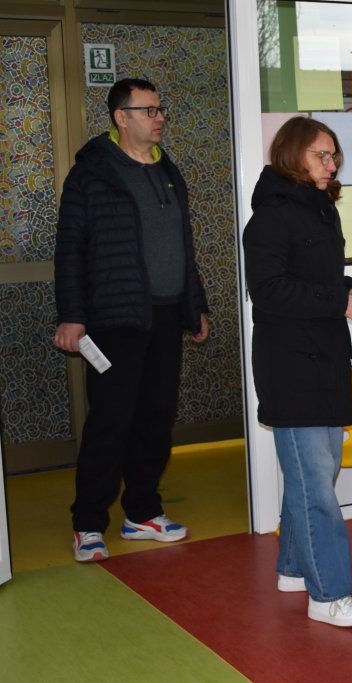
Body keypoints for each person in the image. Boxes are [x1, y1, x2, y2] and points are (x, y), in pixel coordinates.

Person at [54, 78, 209, 563]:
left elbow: (183, 246)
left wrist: (194, 305)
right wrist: (72, 316)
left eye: (161, 109)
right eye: (149, 110)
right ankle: (87, 523)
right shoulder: (92, 174)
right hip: (114, 317)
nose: (159, 118)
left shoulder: (168, 170)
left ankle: (142, 512)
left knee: (156, 418)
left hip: (165, 315)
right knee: (112, 421)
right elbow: (70, 250)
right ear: (121, 117)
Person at [243, 116, 352, 628]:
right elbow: (270, 291)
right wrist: (339, 302)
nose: (332, 165)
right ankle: (329, 595)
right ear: (291, 156)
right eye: (321, 156)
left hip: (325, 358)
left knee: (316, 475)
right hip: (289, 365)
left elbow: (315, 278)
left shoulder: (321, 210)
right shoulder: (270, 218)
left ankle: (293, 568)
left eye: (334, 156)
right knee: (315, 488)